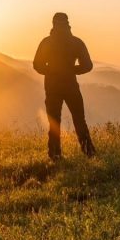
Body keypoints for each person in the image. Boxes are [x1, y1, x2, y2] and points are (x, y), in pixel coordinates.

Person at [33, 12, 95, 160]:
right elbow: (88, 65)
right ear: (68, 23)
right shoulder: (76, 42)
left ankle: (55, 155)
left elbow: (37, 65)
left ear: (53, 23)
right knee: (79, 120)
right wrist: (71, 70)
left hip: (52, 86)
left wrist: (51, 71)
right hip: (71, 86)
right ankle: (89, 153)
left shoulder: (46, 42)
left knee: (54, 121)